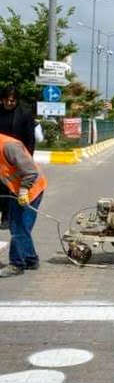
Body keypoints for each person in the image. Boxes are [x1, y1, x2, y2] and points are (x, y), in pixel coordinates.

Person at [0, 133, 47, 277]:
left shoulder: (9, 146)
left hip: (30, 190)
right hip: (16, 190)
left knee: (19, 228)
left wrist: (23, 191)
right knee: (19, 227)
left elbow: (31, 172)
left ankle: (16, 264)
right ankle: (30, 260)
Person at [0, 87, 36, 230]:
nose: (9, 103)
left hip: (17, 157)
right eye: (7, 100)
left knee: (11, 187)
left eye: (12, 100)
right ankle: (5, 214)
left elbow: (30, 139)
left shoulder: (24, 114)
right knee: (1, 186)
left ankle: (9, 217)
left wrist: (27, 159)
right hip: (1, 154)